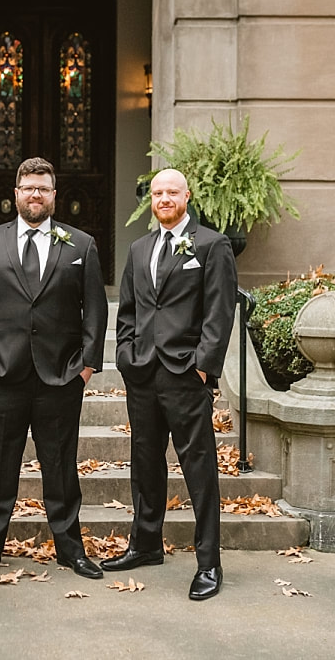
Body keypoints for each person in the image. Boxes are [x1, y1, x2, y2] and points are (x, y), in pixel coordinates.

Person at [0, 157, 108, 580]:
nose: (35, 195)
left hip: (60, 377)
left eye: (43, 188)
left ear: (54, 196)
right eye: (28, 188)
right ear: (16, 193)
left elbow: (95, 311)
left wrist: (86, 367)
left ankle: (70, 550)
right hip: (1, 376)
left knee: (61, 469)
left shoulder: (81, 245)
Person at [104, 168, 237, 601]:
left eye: (171, 192)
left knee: (198, 467)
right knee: (144, 463)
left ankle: (209, 563)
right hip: (142, 372)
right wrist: (126, 354)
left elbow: (219, 314)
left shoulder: (211, 245)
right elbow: (128, 310)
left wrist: (203, 367)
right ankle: (145, 545)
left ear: (187, 196)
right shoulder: (140, 248)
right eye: (157, 192)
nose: (163, 198)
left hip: (185, 373)